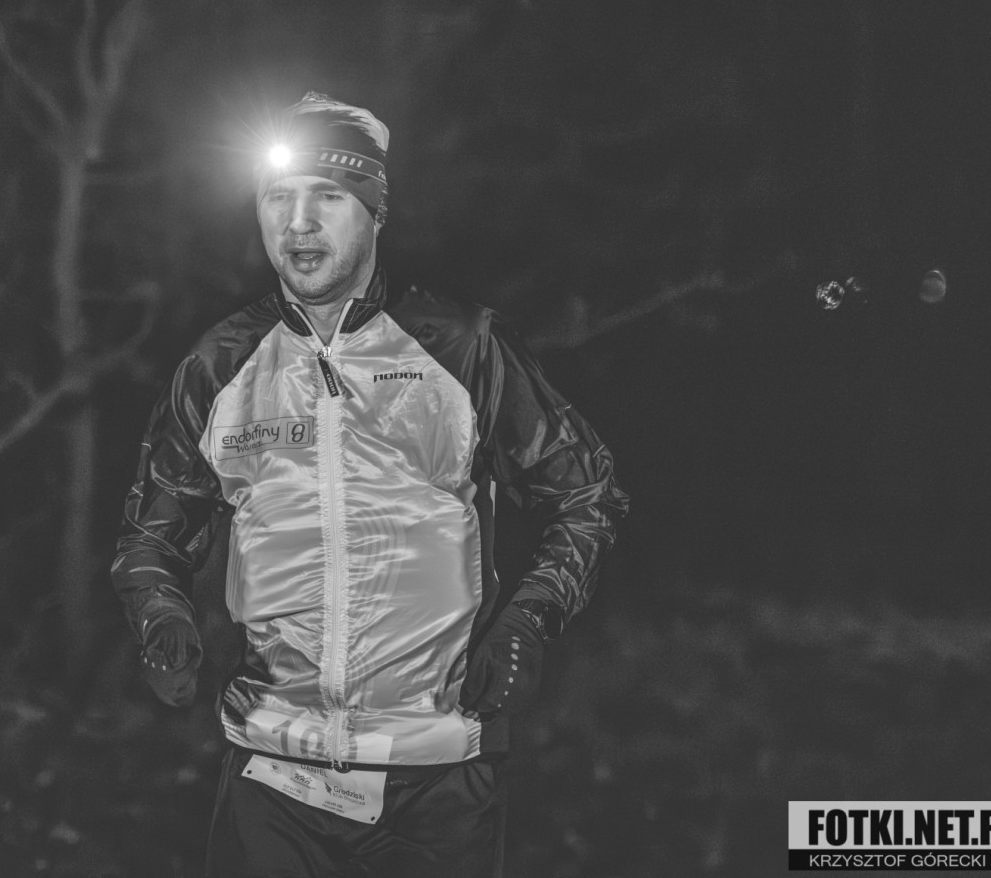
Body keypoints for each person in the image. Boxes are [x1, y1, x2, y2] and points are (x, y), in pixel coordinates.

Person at [110, 92, 629, 877]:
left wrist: (528, 619)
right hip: (270, 776)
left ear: (376, 212)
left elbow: (586, 497)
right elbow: (152, 535)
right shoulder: (220, 365)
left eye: (327, 197)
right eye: (277, 198)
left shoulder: (461, 347)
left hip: (435, 783)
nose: (298, 223)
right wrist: (161, 612)